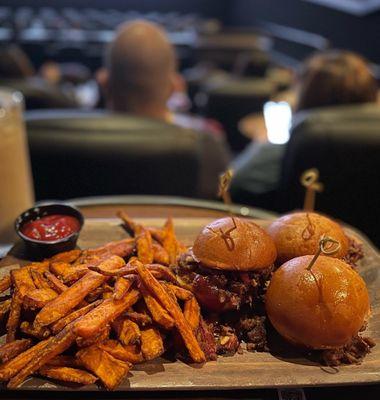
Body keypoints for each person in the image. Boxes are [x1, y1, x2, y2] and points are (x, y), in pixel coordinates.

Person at [230, 50, 378, 207]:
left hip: (299, 229)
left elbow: (234, 185)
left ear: (304, 93)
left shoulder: (282, 149)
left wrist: (260, 145)